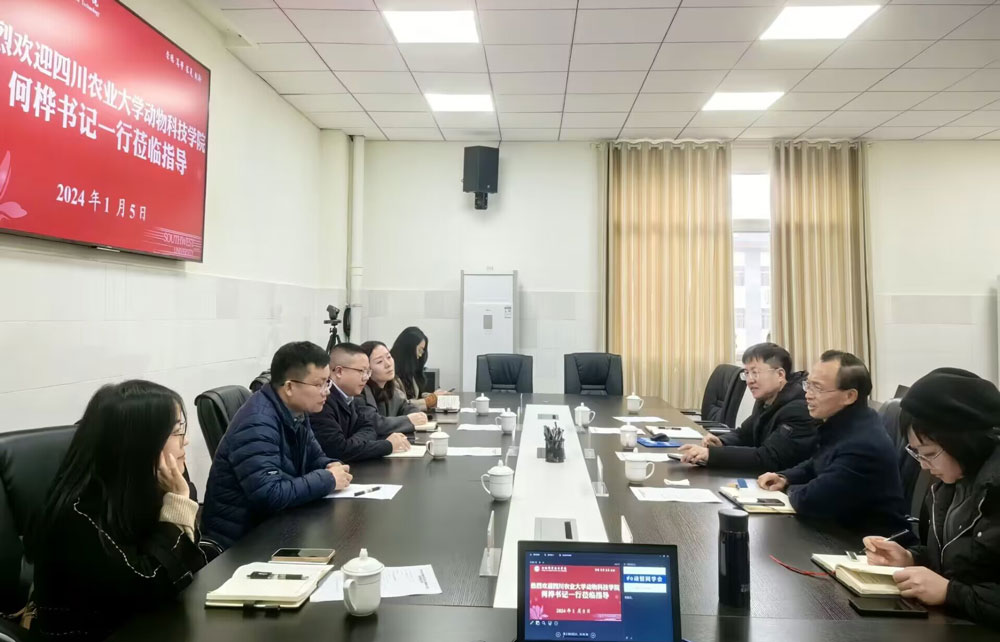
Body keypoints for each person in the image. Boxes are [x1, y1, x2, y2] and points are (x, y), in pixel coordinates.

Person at [28, 381, 207, 641]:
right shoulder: (77, 516)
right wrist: (178, 503)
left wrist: (177, 497)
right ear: (140, 443)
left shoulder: (143, 488)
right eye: (177, 430)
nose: (186, 440)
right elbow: (148, 586)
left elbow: (188, 567)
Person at [864, 368, 1000, 628]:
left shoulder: (993, 488)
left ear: (963, 439)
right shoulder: (952, 482)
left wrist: (950, 593)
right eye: (917, 453)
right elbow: (962, 561)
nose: (923, 466)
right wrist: (911, 558)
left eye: (929, 453)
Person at [201, 342, 352, 553]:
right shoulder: (257, 423)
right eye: (319, 384)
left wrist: (330, 465)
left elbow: (315, 456)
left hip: (276, 525)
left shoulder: (296, 411)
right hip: (243, 544)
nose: (326, 391)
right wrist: (328, 479)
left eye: (328, 382)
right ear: (289, 387)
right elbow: (269, 494)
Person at [757, 350, 909, 535]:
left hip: (869, 543)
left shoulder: (863, 445)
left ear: (849, 396)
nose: (808, 395)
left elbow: (811, 500)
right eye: (808, 385)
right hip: (839, 530)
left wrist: (789, 488)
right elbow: (817, 464)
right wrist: (785, 478)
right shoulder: (845, 424)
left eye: (818, 388)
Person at [678, 343, 817, 472]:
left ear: (780, 375)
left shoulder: (798, 408)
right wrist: (721, 441)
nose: (750, 380)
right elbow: (744, 434)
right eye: (747, 373)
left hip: (785, 484)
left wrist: (712, 455)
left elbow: (768, 458)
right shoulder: (768, 400)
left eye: (755, 373)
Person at [311, 342, 411, 462]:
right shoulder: (323, 402)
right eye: (361, 371)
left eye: (368, 372)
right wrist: (387, 446)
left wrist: (351, 444)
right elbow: (339, 450)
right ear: (339, 372)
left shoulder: (350, 397)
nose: (366, 377)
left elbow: (370, 428)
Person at [359, 340, 428, 438]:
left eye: (389, 357)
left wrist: (417, 415)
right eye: (379, 361)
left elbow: (406, 407)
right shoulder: (360, 392)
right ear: (366, 369)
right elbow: (375, 424)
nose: (388, 364)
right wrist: (409, 420)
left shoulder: (391, 388)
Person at [390, 326, 447, 411]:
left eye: (422, 351)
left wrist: (434, 396)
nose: (419, 356)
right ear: (408, 350)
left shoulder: (409, 371)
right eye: (419, 350)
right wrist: (429, 400)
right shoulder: (390, 375)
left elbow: (414, 397)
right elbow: (401, 405)